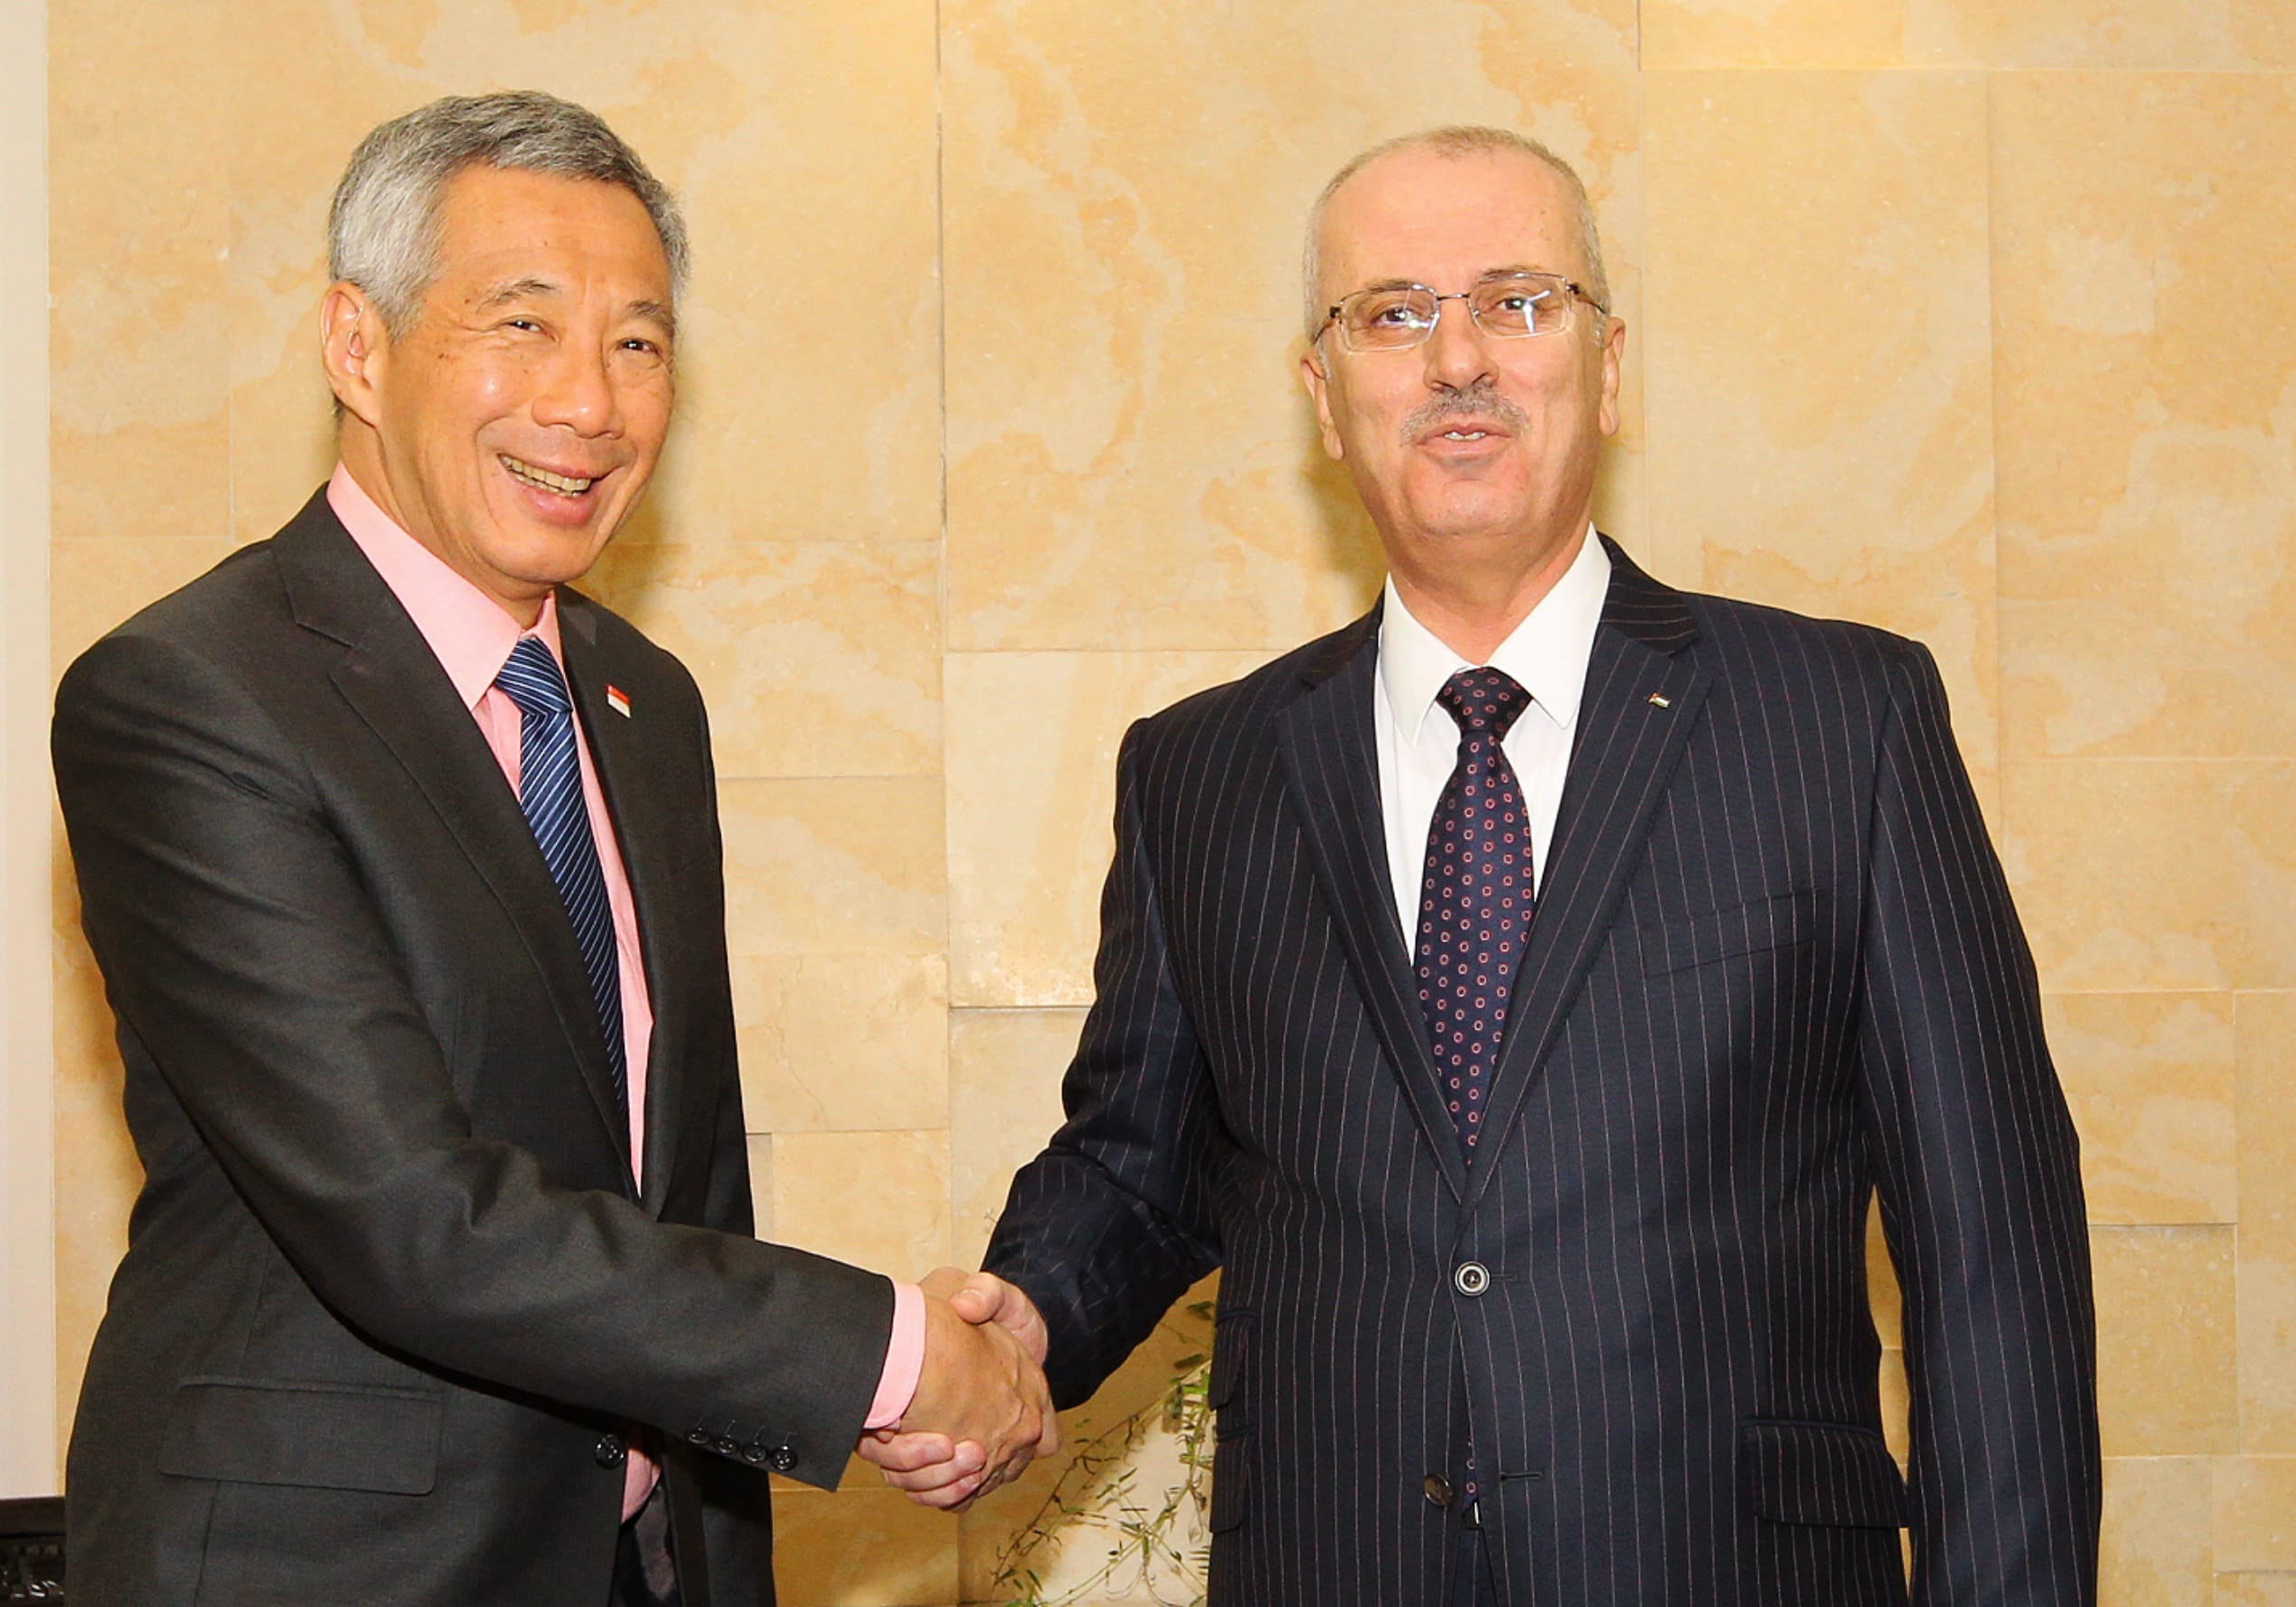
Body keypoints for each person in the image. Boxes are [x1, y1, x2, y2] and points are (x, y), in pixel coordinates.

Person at [865, 127, 2100, 1605]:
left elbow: (1997, 1264)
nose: (1458, 359)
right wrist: (1022, 1326)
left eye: (1516, 301)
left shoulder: (1843, 723)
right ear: (1325, 395)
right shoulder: (1200, 771)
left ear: (1609, 365)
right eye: (1393, 312)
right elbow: (1143, 1164)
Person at [53, 91, 1052, 1607]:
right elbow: (413, 1220)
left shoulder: (645, 704)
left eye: (639, 343)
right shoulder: (193, 698)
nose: (590, 401)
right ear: (357, 346)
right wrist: (891, 1355)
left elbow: (678, 1189)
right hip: (328, 1569)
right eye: (520, 326)